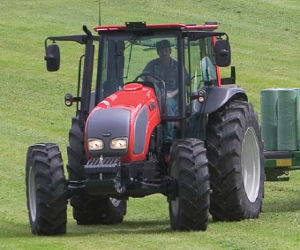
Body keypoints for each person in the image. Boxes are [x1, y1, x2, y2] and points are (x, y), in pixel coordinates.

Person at [142, 39, 187, 141]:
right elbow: (145, 76)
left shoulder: (178, 66)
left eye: (166, 50)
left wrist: (171, 94)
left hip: (175, 98)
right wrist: (156, 83)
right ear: (158, 52)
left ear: (170, 51)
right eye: (161, 51)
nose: (164, 53)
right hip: (156, 97)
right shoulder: (152, 65)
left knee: (168, 103)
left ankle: (168, 137)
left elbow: (183, 84)